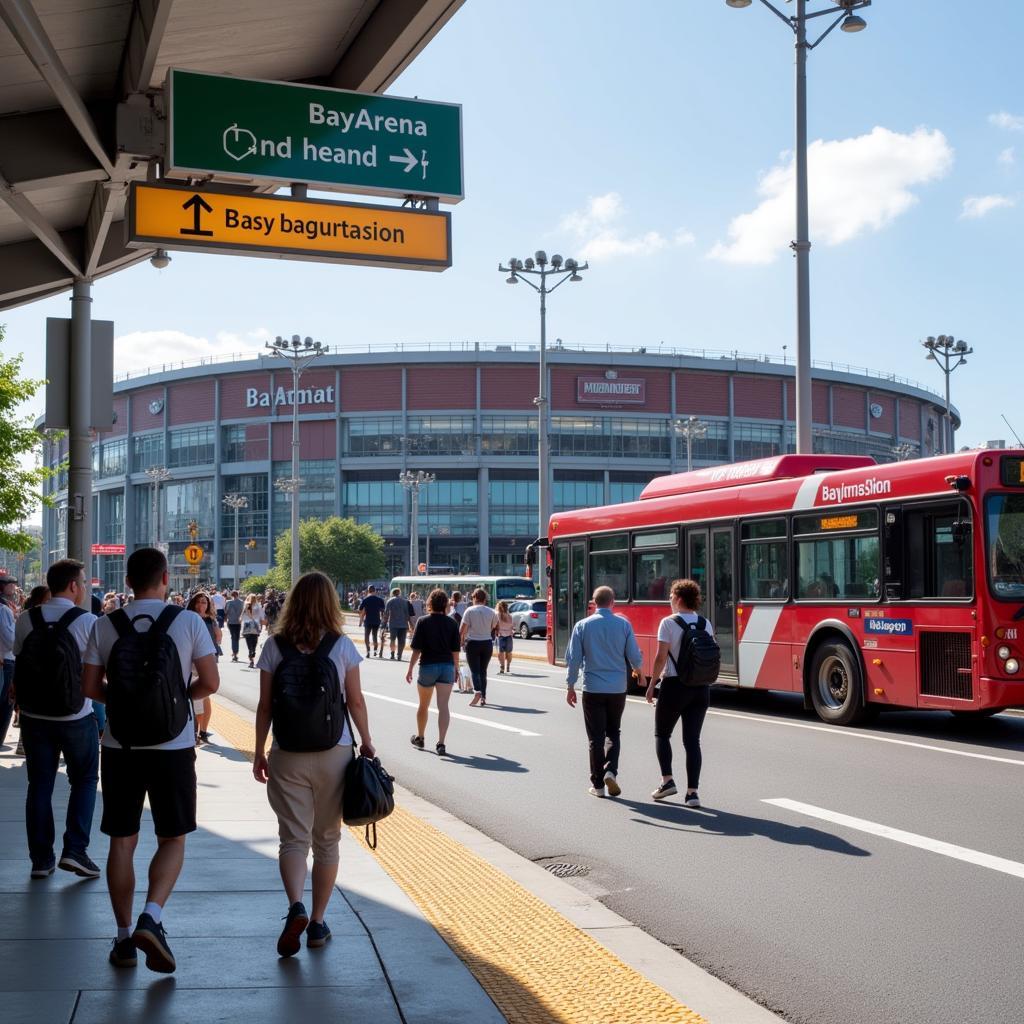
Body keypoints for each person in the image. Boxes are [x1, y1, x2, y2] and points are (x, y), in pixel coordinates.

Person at [82, 547, 219, 973]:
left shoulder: (105, 625)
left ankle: (124, 940)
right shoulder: (189, 621)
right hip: (173, 747)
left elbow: (90, 687)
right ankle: (152, 917)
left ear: (127, 582)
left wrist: (124, 706)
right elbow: (210, 682)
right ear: (165, 578)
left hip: (119, 747)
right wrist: (177, 701)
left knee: (122, 840)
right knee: (172, 838)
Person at [253, 572, 374, 957]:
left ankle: (296, 907)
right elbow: (354, 702)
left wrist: (258, 750)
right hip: (334, 753)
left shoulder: (274, 646)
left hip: (287, 753)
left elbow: (265, 706)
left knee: (292, 839)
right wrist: (367, 742)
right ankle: (318, 922)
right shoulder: (341, 646)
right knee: (327, 841)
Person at [12, 560, 99, 879]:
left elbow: (18, 658)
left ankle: (41, 859)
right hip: (76, 715)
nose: (86, 587)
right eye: (84, 582)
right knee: (86, 779)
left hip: (34, 717)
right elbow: (96, 669)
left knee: (39, 785)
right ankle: (75, 850)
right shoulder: (87, 620)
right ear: (74, 586)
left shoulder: (26, 619)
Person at [565, 586, 643, 798]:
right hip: (617, 689)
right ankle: (611, 770)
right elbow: (634, 656)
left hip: (593, 688)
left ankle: (598, 785)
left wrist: (570, 686)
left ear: (593, 602)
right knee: (613, 732)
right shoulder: (623, 625)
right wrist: (640, 671)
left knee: (595, 738)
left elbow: (573, 660)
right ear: (613, 602)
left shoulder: (582, 626)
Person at [645, 579, 718, 808]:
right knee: (692, 741)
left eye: (670, 597)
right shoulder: (705, 623)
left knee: (662, 734)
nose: (669, 601)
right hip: (701, 688)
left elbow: (660, 657)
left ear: (678, 598)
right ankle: (692, 793)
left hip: (675, 686)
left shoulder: (668, 623)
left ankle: (667, 781)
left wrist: (651, 684)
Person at [405, 588, 460, 755]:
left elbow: (417, 650)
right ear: (445, 604)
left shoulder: (423, 621)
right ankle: (441, 743)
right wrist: (456, 669)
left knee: (423, 705)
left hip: (427, 666)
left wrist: (410, 668)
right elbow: (455, 651)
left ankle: (420, 737)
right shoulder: (452, 623)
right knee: (443, 706)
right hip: (446, 667)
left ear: (429, 603)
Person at [186, 592, 222, 743]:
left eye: (204, 602)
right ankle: (195, 730)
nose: (201, 605)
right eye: (198, 602)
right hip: (191, 660)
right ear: (193, 603)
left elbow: (218, 638)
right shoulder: (187, 618)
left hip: (207, 660)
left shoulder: (211, 621)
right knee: (193, 696)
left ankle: (203, 730)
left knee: (205, 695)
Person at [460, 588, 498, 708]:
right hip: (487, 643)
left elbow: (462, 630)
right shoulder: (492, 612)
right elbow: (494, 627)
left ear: (474, 598)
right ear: (485, 599)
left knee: (474, 671)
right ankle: (483, 697)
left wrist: (461, 641)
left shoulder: (469, 611)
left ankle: (477, 691)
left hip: (473, 643)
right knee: (483, 671)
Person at [0, 574, 18, 748]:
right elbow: (11, 641)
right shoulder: (3, 610)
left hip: (5, 661)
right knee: (5, 703)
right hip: (5, 661)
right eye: (10, 584)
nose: (14, 587)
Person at [382, 588, 412, 661]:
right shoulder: (405, 602)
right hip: (403, 624)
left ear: (393, 593)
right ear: (399, 593)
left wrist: (384, 624)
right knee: (402, 641)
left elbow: (386, 613)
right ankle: (399, 655)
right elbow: (407, 614)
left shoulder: (390, 601)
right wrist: (410, 624)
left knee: (393, 639)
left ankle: (392, 654)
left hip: (393, 624)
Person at [357, 585, 385, 658]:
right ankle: (375, 651)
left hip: (368, 620)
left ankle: (368, 651)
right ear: (375, 590)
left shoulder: (365, 600)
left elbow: (360, 609)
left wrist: (361, 618)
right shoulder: (380, 600)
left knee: (366, 636)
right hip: (376, 620)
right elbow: (383, 611)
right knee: (374, 635)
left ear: (368, 591)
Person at [241, 593, 264, 669]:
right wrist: (261, 626)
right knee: (254, 641)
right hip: (255, 625)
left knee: (248, 641)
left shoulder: (246, 605)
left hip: (247, 625)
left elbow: (242, 617)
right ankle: (253, 651)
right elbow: (261, 617)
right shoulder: (258, 606)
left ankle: (251, 656)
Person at [495, 600, 515, 675]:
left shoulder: (496, 614)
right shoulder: (510, 615)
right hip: (509, 635)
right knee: (509, 652)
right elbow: (513, 626)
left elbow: (494, 625)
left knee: (501, 653)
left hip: (500, 636)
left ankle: (502, 667)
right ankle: (508, 667)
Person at [224, 589, 244, 662]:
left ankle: (234, 653)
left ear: (231, 595)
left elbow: (226, 611)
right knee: (237, 637)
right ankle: (236, 652)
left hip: (231, 621)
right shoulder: (242, 602)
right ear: (238, 595)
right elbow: (243, 611)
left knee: (233, 637)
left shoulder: (228, 602)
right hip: (238, 622)